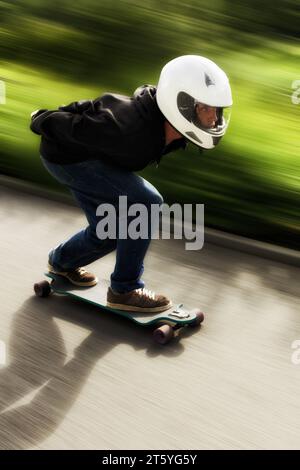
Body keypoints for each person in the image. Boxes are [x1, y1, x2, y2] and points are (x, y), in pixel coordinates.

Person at [30, 55, 232, 313]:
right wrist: (41, 118)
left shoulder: (168, 126)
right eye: (206, 108)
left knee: (112, 229)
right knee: (147, 203)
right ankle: (125, 290)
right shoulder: (127, 129)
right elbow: (75, 122)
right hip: (67, 159)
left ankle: (62, 262)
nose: (214, 119)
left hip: (90, 157)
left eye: (217, 110)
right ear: (181, 105)